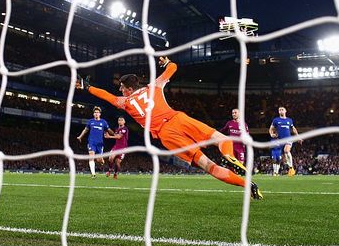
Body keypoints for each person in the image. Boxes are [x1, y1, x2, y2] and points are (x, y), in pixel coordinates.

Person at [77, 57, 262, 199]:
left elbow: (106, 96)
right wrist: (167, 62)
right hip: (179, 118)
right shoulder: (154, 86)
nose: (120, 90)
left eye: (122, 87)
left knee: (209, 165)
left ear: (128, 89)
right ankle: (229, 156)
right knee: (222, 139)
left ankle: (248, 185)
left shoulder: (125, 102)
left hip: (167, 134)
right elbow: (173, 68)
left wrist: (87, 86)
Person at [77, 106, 113, 178]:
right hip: (91, 142)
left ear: (100, 114)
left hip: (100, 143)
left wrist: (114, 134)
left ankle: (102, 161)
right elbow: (85, 130)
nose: (96, 114)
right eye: (95, 112)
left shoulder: (103, 122)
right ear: (93, 114)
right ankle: (93, 174)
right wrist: (80, 136)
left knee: (99, 160)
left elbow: (109, 130)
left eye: (98, 112)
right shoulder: (90, 121)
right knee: (91, 156)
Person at [269, 106, 299, 177]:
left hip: (288, 139)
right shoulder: (276, 120)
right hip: (279, 140)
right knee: (280, 157)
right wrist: (271, 134)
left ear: (285, 111)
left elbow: (293, 129)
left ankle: (291, 168)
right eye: (279, 110)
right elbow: (271, 128)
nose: (281, 111)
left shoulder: (289, 120)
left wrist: (298, 136)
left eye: (282, 110)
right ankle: (277, 171)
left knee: (286, 150)